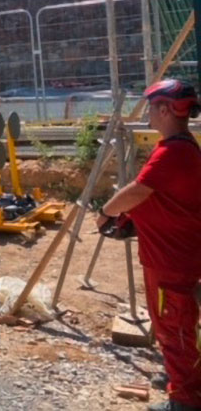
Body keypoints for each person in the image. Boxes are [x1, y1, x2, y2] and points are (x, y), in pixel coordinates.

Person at [98, 79, 201, 411]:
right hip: (171, 257)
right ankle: (183, 381)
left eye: (152, 108)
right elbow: (159, 197)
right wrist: (135, 220)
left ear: (166, 110)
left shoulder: (173, 152)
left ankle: (185, 401)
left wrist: (106, 212)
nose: (148, 115)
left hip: (171, 262)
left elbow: (137, 190)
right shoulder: (180, 147)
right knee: (175, 326)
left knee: (174, 330)